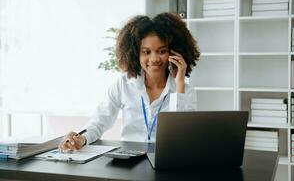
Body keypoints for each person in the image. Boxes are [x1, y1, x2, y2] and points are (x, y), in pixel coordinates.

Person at [59, 12, 200, 151]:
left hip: (167, 159)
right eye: (146, 52)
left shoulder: (185, 91)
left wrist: (180, 82)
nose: (154, 58)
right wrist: (81, 139)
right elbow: (100, 122)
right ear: (135, 54)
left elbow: (182, 137)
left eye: (162, 51)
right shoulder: (123, 85)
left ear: (174, 53)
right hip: (129, 161)